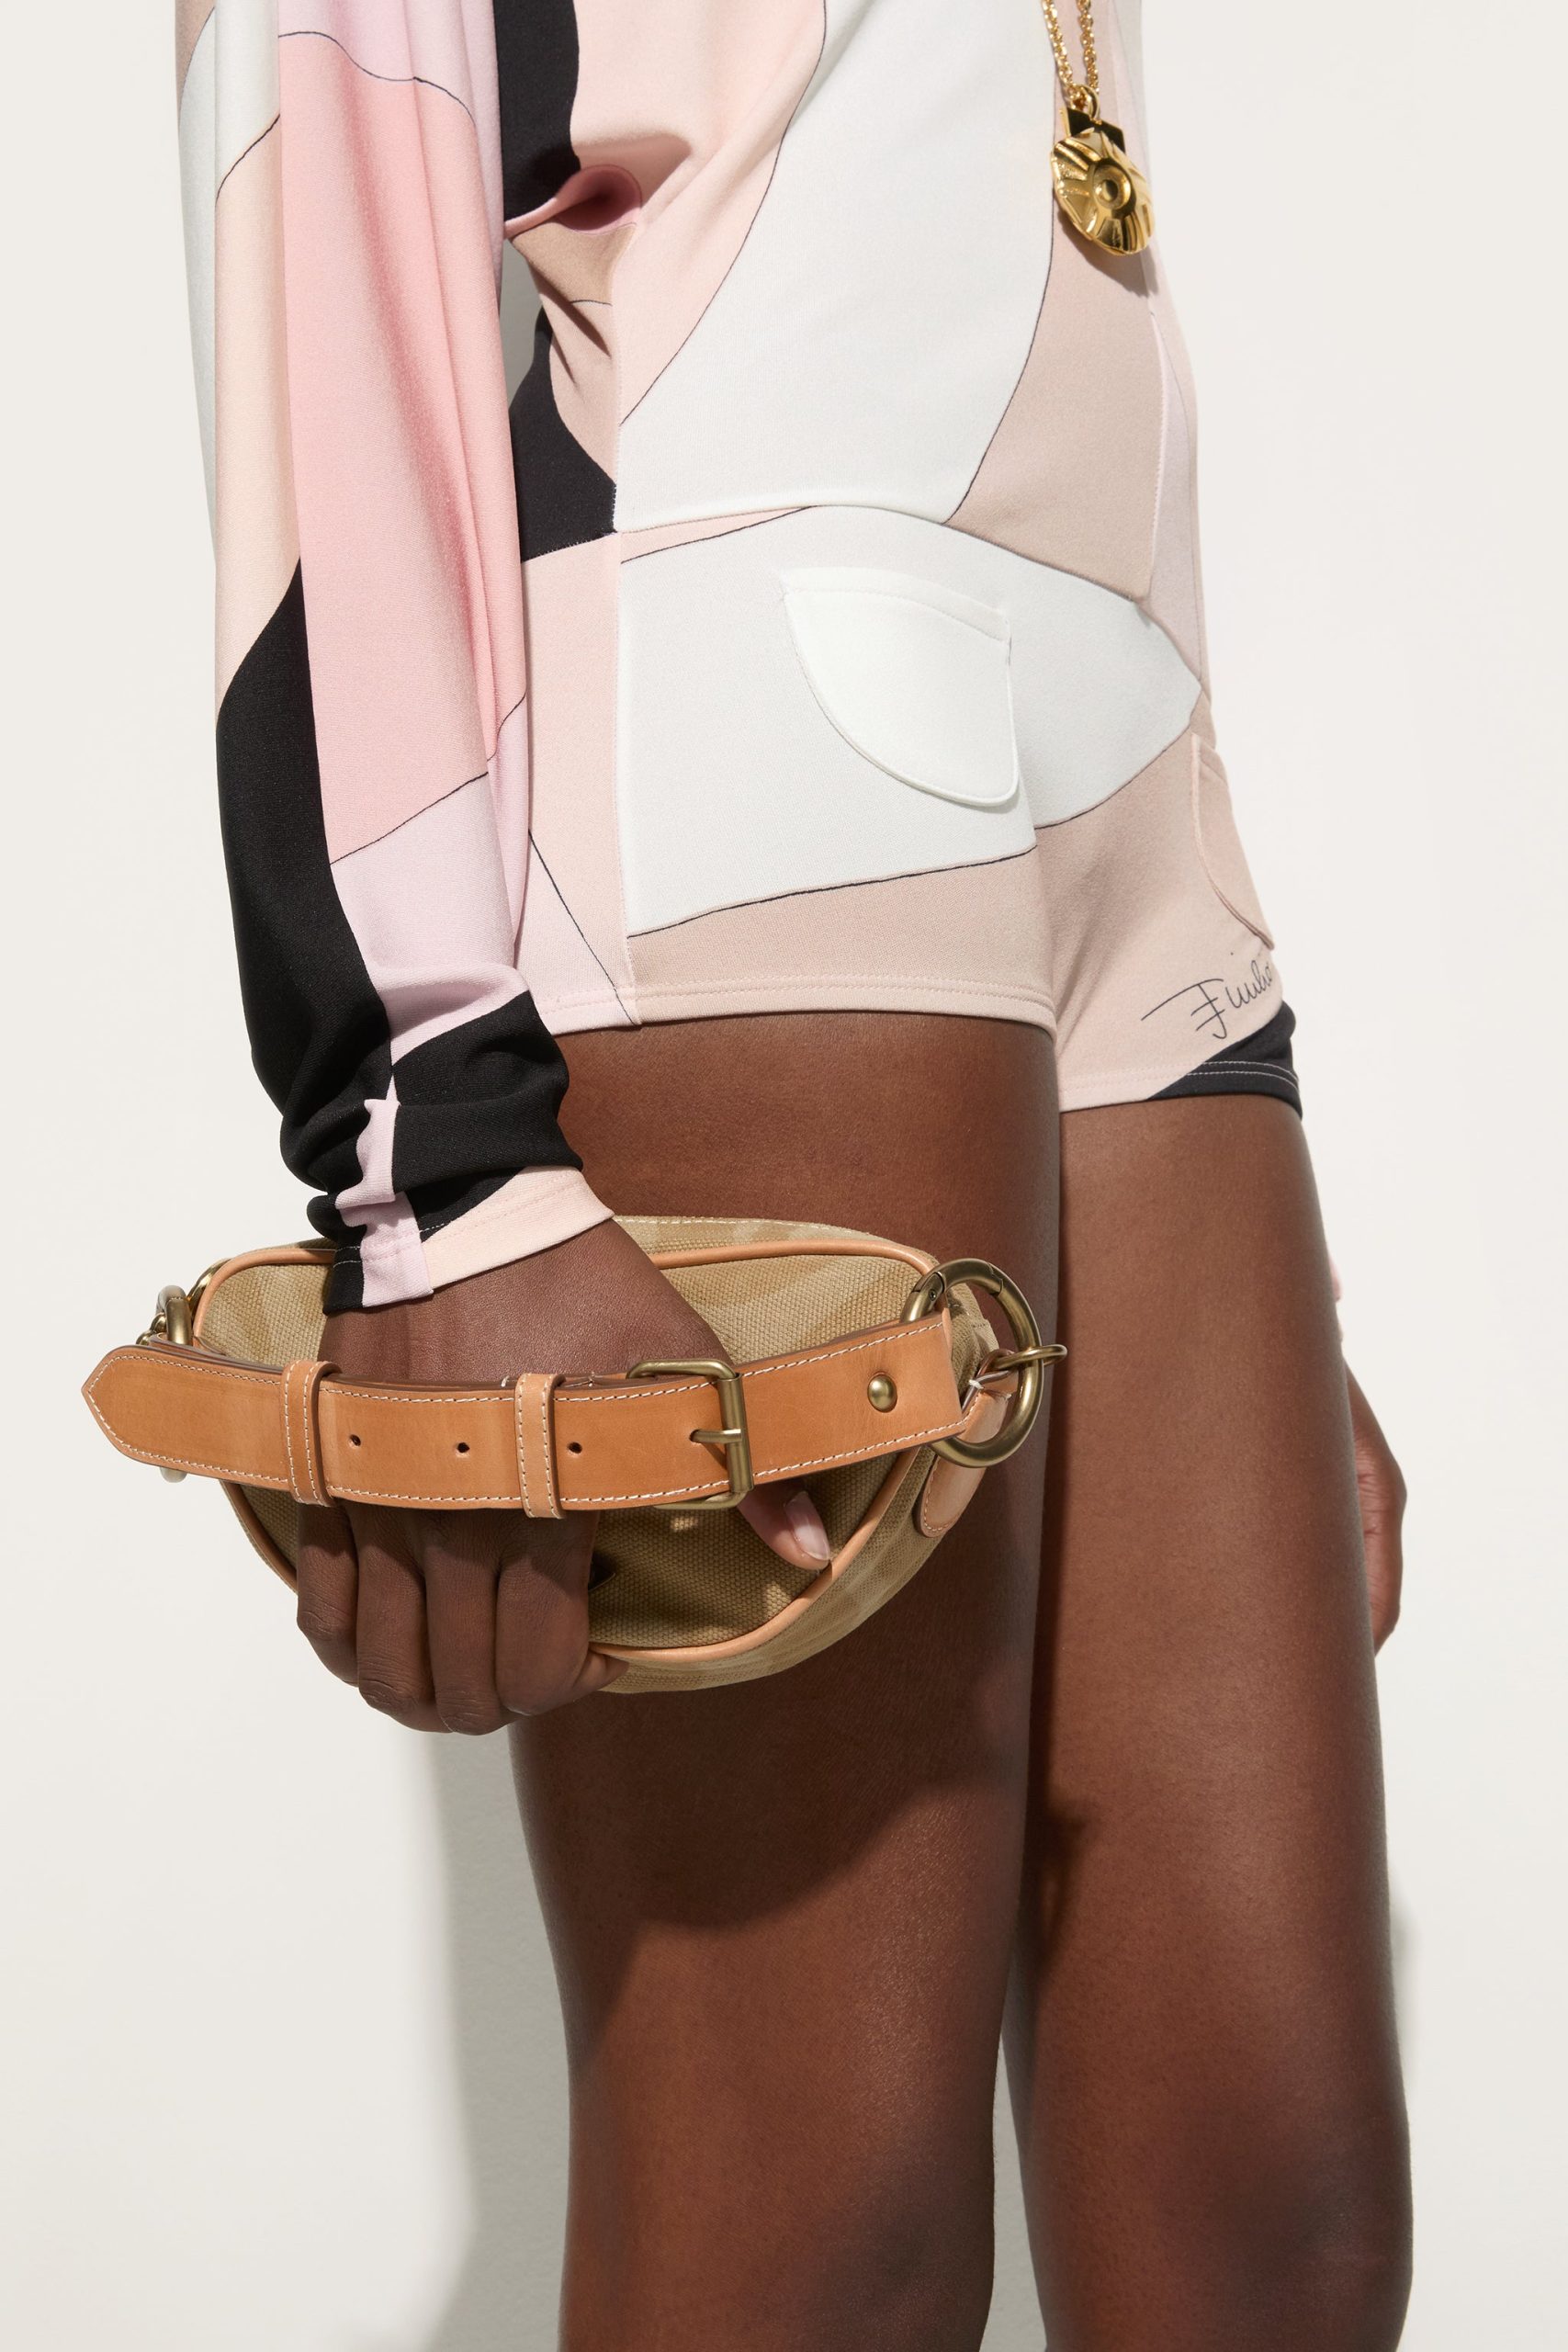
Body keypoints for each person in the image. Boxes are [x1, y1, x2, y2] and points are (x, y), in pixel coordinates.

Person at [173, 1, 1412, 2343]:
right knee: (806, 2244)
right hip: (735, 689)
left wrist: (1233, 1248)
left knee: (1279, 2221)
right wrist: (435, 1156)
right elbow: (325, 138)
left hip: (1129, 769)